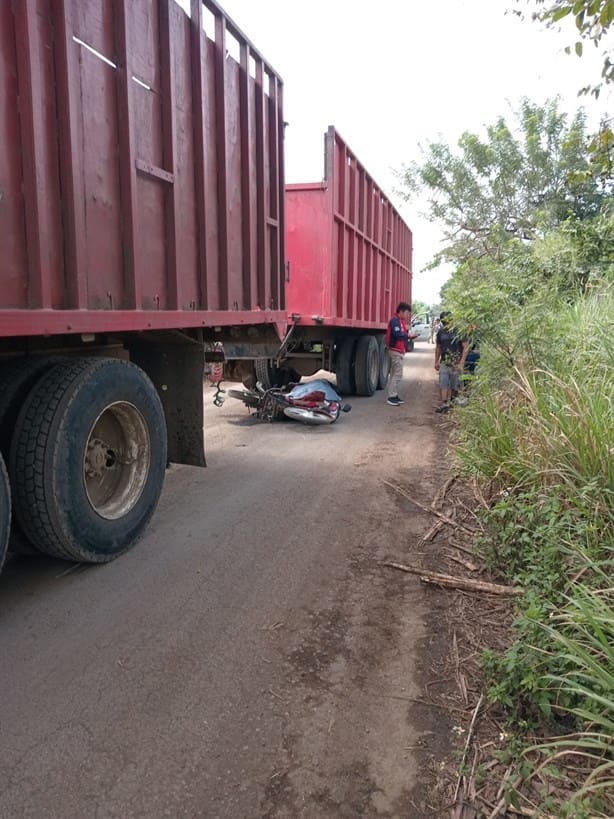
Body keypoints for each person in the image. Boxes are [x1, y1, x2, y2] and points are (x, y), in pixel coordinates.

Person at [434, 311, 468, 413]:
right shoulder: (441, 332)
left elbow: (465, 347)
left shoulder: (459, 331)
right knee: (443, 383)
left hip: (456, 363)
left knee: (455, 384)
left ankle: (452, 403)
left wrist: (462, 362)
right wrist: (436, 361)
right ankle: (444, 404)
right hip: (445, 362)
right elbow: (438, 347)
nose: (446, 323)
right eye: (444, 321)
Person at [385, 301, 412, 405]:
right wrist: (408, 336)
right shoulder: (395, 321)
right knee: (398, 373)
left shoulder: (399, 321)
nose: (407, 315)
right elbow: (398, 335)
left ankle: (394, 395)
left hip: (398, 350)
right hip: (395, 351)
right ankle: (391, 397)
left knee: (394, 373)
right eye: (406, 313)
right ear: (401, 311)